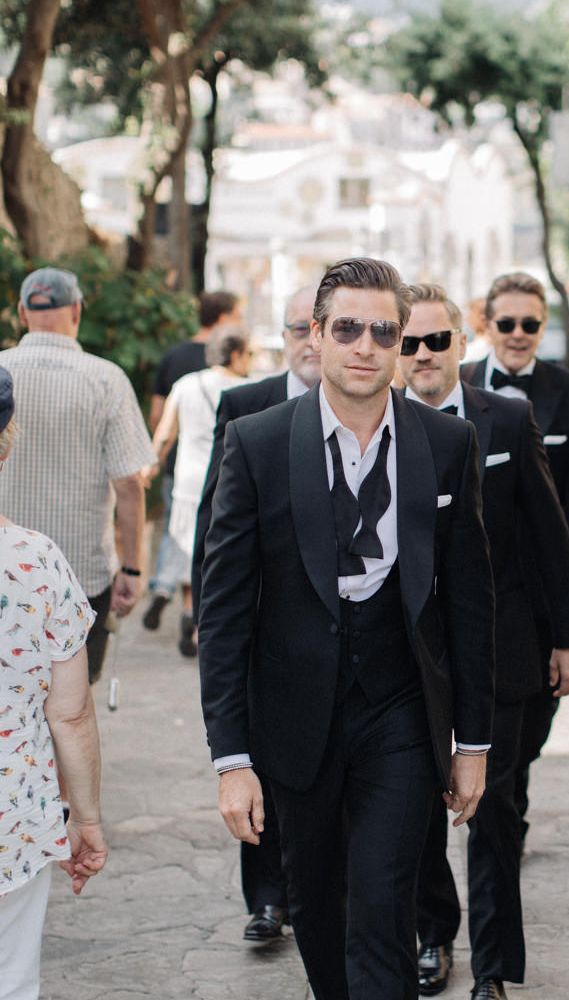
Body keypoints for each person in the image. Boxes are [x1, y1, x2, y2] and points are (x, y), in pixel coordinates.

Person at [198, 257, 495, 1000]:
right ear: (317, 334)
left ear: (401, 342)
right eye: (348, 329)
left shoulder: (447, 444)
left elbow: (469, 602)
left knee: (383, 902)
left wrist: (473, 744)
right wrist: (231, 758)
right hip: (294, 716)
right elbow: (224, 611)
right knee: (317, 906)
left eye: (384, 332)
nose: (366, 346)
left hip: (401, 708)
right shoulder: (258, 442)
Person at [399, 284, 569, 1000]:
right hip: (411, 657)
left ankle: (495, 968)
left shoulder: (506, 418)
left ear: (461, 343)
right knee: (418, 807)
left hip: (503, 646)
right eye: (408, 342)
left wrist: (567, 637)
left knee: (496, 809)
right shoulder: (375, 425)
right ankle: (433, 936)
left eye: (435, 340)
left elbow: (547, 532)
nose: (422, 354)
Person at [190, 286, 322, 942]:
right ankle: (267, 900)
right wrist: (205, 603)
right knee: (258, 758)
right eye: (297, 328)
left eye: (317, 328)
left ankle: (317, 892)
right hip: (261, 619)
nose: (308, 341)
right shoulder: (247, 405)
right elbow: (213, 515)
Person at [462, 271, 569, 850]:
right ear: (487, 324)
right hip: (479, 581)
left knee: (534, 723)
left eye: (530, 324)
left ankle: (510, 791)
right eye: (507, 322)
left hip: (545, 584)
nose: (518, 333)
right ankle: (497, 814)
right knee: (493, 722)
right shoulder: (456, 384)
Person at [0, 365, 108, 999]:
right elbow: (69, 714)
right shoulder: (38, 562)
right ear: (7, 442)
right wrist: (85, 817)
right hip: (12, 815)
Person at [0, 267, 154, 683]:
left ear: (22, 313)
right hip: (80, 575)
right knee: (74, 696)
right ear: (76, 311)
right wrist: (132, 568)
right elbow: (129, 483)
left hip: (3, 570)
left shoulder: (1, 371)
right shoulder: (106, 379)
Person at [143, 290, 241, 633]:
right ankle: (193, 614)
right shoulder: (244, 387)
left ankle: (165, 586)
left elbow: (159, 420)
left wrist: (155, 462)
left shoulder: (176, 362)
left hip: (183, 471)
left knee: (179, 534)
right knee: (210, 543)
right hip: (223, 474)